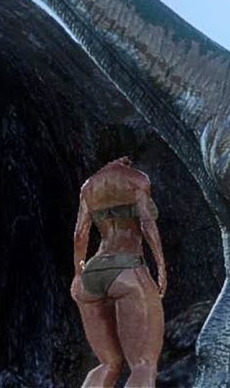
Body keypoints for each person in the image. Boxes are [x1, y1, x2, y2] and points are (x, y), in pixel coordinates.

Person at [70, 157, 167, 388]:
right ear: (125, 163)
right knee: (143, 364)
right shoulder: (136, 180)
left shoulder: (89, 187)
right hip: (127, 267)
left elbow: (80, 234)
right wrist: (161, 265)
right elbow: (147, 224)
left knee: (108, 363)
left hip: (93, 270)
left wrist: (78, 272)